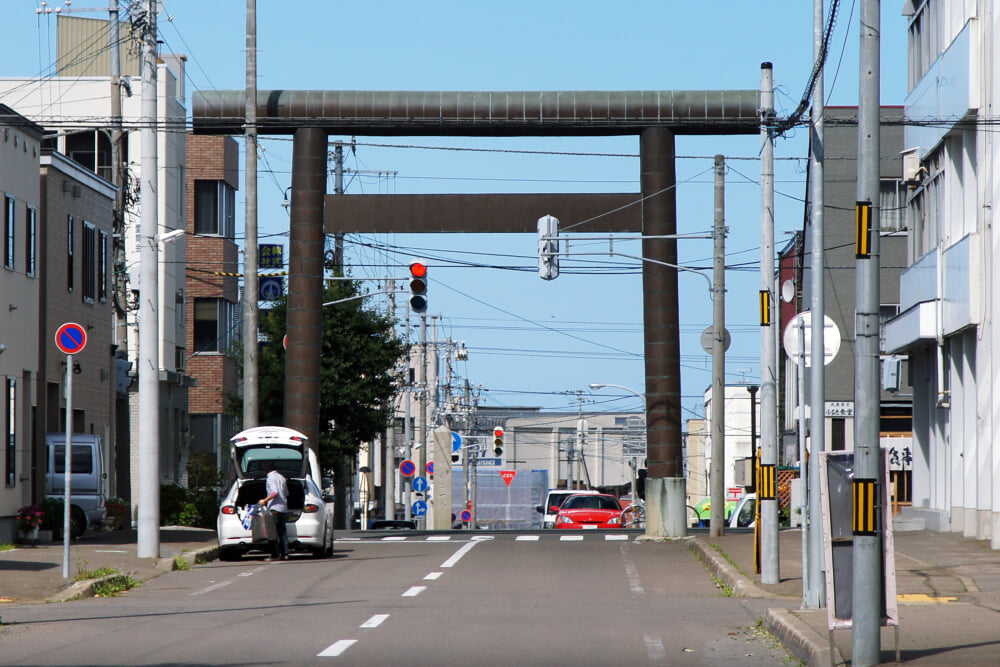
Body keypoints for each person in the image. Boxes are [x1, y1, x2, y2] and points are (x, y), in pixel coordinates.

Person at [258, 461, 290, 561]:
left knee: (272, 533)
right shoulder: (282, 477)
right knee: (282, 532)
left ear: (265, 470)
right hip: (283, 508)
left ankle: (275, 555)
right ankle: (286, 553)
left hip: (274, 508)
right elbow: (286, 493)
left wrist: (264, 500)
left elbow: (274, 492)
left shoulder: (270, 478)